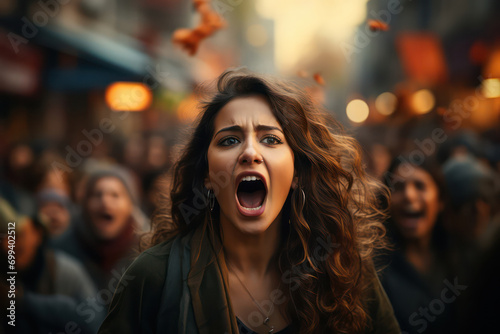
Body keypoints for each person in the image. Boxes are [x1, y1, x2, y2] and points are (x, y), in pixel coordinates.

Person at [99, 70, 399, 334]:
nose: (250, 152)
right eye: (229, 140)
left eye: (271, 139)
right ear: (206, 174)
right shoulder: (155, 277)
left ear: (297, 172)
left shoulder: (344, 270)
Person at [379, 157, 457, 334]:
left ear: (440, 201)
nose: (408, 195)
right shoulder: (377, 268)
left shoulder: (459, 258)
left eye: (420, 186)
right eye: (398, 187)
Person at [0, 198, 98, 334]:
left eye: (16, 235)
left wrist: (24, 301)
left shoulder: (65, 272)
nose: (7, 246)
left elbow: (95, 322)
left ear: (37, 233)